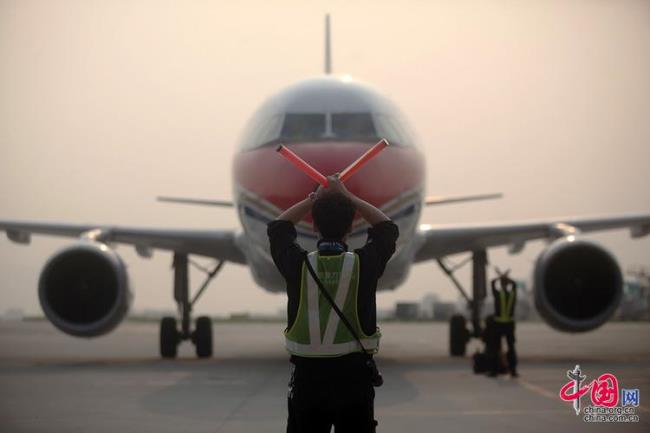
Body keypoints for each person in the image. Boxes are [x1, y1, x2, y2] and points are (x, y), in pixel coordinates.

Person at [267, 174, 399, 433]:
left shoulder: (299, 266)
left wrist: (314, 198)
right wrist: (348, 196)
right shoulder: (363, 265)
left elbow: (278, 228)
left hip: (308, 380)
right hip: (354, 380)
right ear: (351, 227)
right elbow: (387, 230)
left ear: (313, 226)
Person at [488, 272, 518, 377]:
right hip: (509, 324)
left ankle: (494, 371)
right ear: (508, 284)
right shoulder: (512, 294)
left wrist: (499, 277)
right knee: (511, 348)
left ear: (500, 284)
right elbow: (514, 284)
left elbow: (492, 283)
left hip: (498, 324)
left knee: (495, 348)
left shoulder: (498, 294)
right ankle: (513, 371)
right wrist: (506, 277)